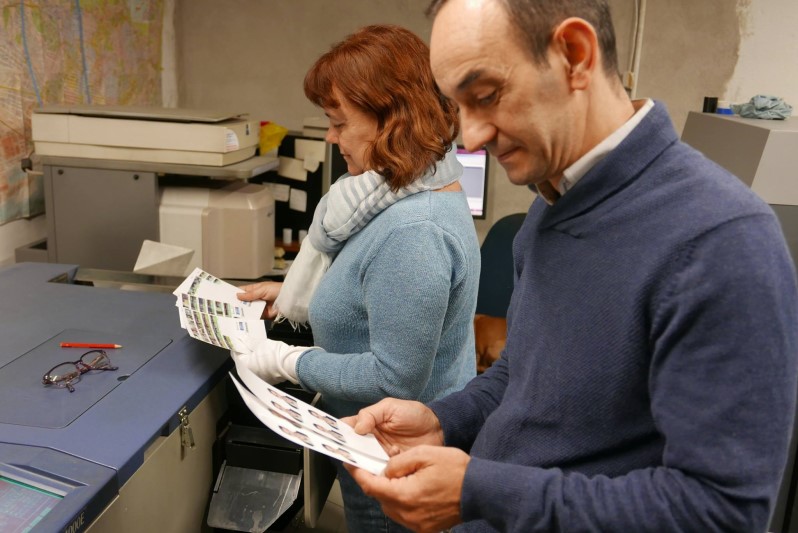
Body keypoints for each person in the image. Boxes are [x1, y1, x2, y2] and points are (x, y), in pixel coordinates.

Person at [344, 1, 798, 531]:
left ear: (576, 55)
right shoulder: (551, 201)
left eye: (486, 96)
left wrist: (483, 492)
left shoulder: (721, 240)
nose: (471, 138)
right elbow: (523, 374)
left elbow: (720, 513)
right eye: (458, 107)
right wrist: (444, 421)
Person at [232, 24, 480, 533]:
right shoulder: (402, 192)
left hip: (395, 460)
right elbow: (375, 290)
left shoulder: (414, 230)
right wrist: (296, 296)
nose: (330, 137)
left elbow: (393, 379)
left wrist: (286, 361)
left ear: (392, 122)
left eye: (339, 123)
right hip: (374, 445)